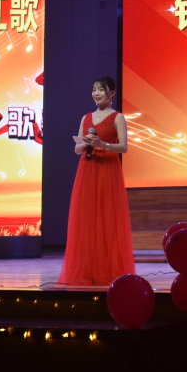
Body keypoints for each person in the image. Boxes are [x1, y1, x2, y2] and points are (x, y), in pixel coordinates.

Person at [58, 76, 136, 286]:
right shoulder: (86, 118)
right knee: (87, 221)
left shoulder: (117, 117)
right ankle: (87, 270)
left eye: (101, 89)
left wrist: (102, 143)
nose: (96, 93)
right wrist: (85, 144)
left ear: (112, 93)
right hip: (87, 170)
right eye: (94, 90)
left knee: (107, 221)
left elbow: (124, 147)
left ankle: (108, 270)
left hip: (108, 171)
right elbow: (77, 149)